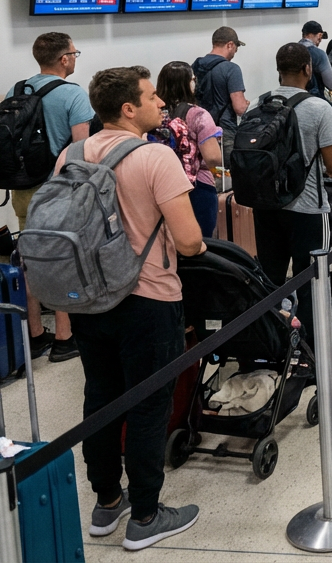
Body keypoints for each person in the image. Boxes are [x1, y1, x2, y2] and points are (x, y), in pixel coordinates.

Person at [65, 66, 205, 550]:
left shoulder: (73, 153)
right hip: (147, 299)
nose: (159, 104)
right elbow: (188, 241)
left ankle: (107, 503)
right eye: (151, 97)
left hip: (87, 299)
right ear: (129, 108)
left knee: (100, 397)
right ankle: (146, 515)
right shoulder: (155, 157)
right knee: (148, 407)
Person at [247, 44, 332, 356]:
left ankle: (270, 349)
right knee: (312, 285)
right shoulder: (319, 108)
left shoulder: (257, 104)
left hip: (265, 207)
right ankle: (311, 356)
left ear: (279, 69)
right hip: (308, 210)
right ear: (308, 69)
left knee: (271, 281)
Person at [7, 32, 94, 362]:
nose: (74, 57)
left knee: (28, 261)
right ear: (64, 59)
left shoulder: (17, 91)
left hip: (22, 189)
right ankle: (63, 337)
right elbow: (80, 153)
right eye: (74, 52)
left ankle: (35, 335)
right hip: (57, 192)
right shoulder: (73, 95)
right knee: (62, 262)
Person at [152, 62, 224, 238]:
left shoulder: (154, 114)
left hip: (161, 187)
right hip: (198, 187)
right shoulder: (198, 115)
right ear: (188, 83)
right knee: (200, 241)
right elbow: (213, 157)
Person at [191, 26, 248, 159]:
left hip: (199, 130)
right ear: (230, 45)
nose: (235, 52)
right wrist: (247, 105)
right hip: (223, 133)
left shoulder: (196, 65)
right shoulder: (231, 69)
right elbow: (239, 108)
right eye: (236, 48)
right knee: (225, 176)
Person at [298, 20, 332, 98]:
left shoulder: (290, 51)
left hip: (292, 99)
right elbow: (331, 84)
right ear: (319, 36)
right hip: (313, 99)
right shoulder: (319, 54)